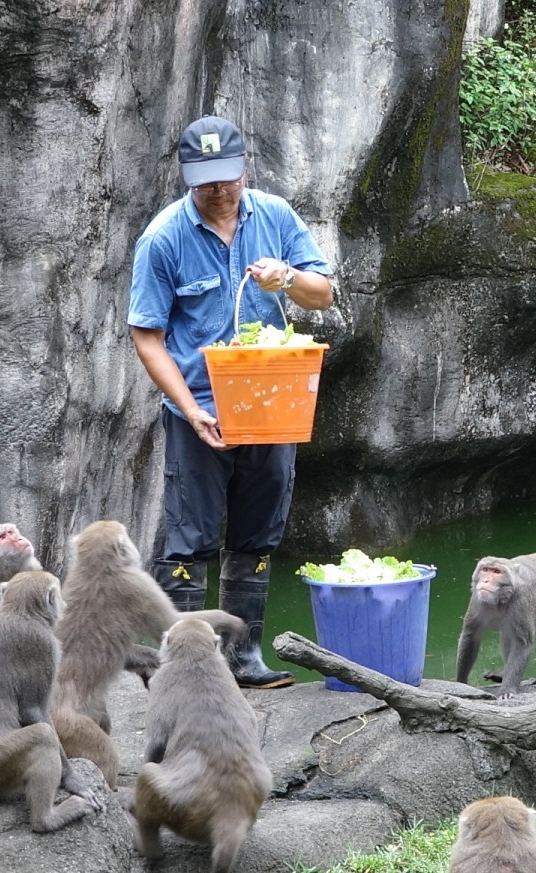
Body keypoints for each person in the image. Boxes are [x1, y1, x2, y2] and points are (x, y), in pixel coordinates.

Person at [128, 115, 334, 689]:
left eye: (226, 177)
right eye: (204, 179)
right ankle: (186, 669)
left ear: (245, 168)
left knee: (258, 529)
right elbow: (147, 336)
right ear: (187, 176)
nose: (217, 189)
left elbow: (324, 292)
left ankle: (243, 658)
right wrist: (189, 410)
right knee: (188, 538)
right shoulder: (163, 237)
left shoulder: (275, 217)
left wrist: (286, 277)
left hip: (271, 404)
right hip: (199, 408)